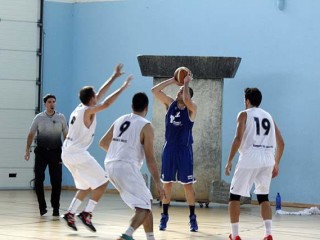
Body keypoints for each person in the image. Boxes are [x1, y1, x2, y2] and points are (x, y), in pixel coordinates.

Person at [61, 63, 132, 232]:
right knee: (102, 182)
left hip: (67, 152)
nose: (97, 97)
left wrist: (114, 76)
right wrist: (122, 87)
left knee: (85, 186)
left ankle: (70, 213)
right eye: (95, 96)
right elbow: (106, 104)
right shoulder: (88, 111)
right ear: (91, 99)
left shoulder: (81, 107)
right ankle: (87, 213)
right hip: (77, 153)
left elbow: (101, 93)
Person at [99, 92, 165, 240]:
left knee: (146, 202)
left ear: (132, 106)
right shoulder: (146, 126)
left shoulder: (120, 119)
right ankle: (126, 235)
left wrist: (118, 153)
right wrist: (158, 183)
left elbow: (103, 143)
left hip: (109, 165)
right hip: (126, 167)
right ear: (146, 108)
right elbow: (150, 159)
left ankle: (150, 238)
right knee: (144, 205)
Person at [225, 88, 285, 240]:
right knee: (263, 197)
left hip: (250, 157)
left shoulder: (244, 114)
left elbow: (238, 139)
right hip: (268, 159)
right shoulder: (269, 116)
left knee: (234, 197)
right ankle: (268, 233)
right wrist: (276, 163)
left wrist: (229, 160)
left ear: (247, 100)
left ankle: (235, 235)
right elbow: (281, 143)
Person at [151, 69, 198, 232]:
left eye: (182, 91)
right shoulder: (170, 104)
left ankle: (192, 218)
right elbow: (154, 91)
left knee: (187, 186)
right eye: (178, 91)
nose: (179, 93)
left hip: (184, 150)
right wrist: (173, 79)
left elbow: (186, 97)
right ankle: (164, 216)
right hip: (169, 148)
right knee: (167, 184)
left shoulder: (192, 108)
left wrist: (186, 83)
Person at [24, 94, 68, 217]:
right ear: (45, 104)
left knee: (56, 181)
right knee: (38, 180)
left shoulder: (61, 117)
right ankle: (42, 207)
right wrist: (27, 150)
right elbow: (31, 134)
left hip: (56, 152)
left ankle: (56, 208)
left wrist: (67, 152)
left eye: (54, 101)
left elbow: (66, 135)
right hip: (42, 152)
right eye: (49, 102)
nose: (52, 104)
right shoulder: (39, 118)